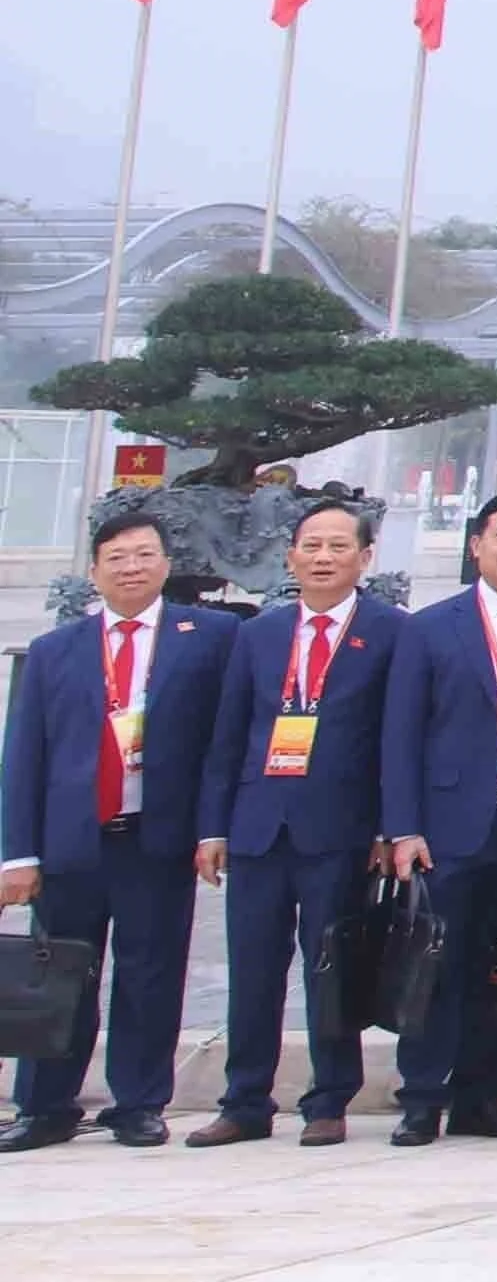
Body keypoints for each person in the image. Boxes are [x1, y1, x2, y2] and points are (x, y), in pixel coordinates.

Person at [4, 490, 234, 1149]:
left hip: (156, 838)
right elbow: (23, 757)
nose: (131, 567)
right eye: (116, 557)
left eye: (144, 555)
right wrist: (17, 854)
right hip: (73, 840)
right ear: (95, 570)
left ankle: (137, 1102)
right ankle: (45, 1105)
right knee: (60, 969)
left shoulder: (210, 638)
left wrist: (211, 830)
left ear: (166, 563)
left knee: (151, 972)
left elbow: (221, 747)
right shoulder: (55, 650)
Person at [193, 490, 399, 1145]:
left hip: (339, 830)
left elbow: (396, 739)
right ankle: (245, 1100)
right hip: (258, 826)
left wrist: (387, 828)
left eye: (339, 546)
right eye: (311, 545)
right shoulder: (259, 633)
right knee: (253, 967)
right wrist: (213, 827)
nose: (323, 557)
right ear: (290, 555)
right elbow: (227, 735)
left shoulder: (391, 632)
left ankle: (329, 1099)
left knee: (330, 965)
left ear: (365, 557)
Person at [379, 484, 497, 1144]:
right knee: (436, 959)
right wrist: (402, 828)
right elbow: (399, 735)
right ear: (477, 545)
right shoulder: (430, 627)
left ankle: (483, 1095)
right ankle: (422, 1095)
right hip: (449, 826)